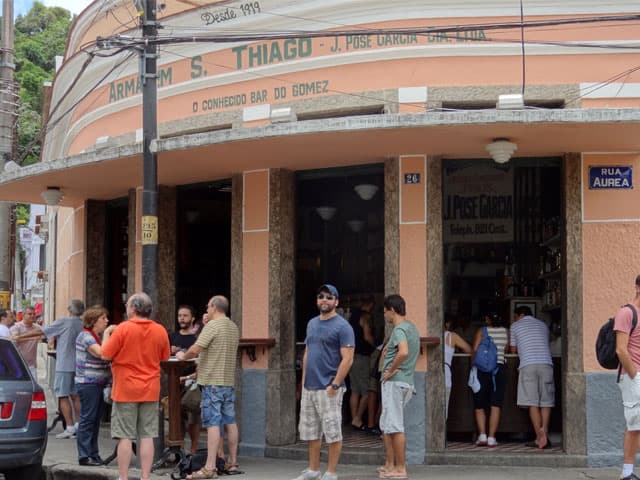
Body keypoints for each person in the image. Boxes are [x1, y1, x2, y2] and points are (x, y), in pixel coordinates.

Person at [102, 292, 170, 480]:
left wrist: (107, 333)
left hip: (125, 389)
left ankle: (123, 477)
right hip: (150, 389)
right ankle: (145, 477)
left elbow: (105, 354)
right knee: (147, 436)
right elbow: (165, 357)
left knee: (125, 436)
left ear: (133, 308)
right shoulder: (160, 330)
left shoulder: (123, 329)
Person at [292, 284, 354, 480]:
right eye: (321, 297)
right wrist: (302, 383)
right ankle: (313, 469)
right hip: (310, 386)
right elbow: (308, 352)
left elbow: (348, 358)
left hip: (329, 387)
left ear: (336, 301)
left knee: (332, 431)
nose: (324, 300)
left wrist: (335, 384)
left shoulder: (343, 326)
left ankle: (331, 472)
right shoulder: (312, 323)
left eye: (329, 297)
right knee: (311, 432)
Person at [176, 295, 240, 479]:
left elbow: (196, 349)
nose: (207, 310)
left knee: (213, 423)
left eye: (208, 307)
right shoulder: (233, 326)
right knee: (230, 421)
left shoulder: (213, 325)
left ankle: (210, 467)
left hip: (212, 381)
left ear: (213, 307)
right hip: (227, 380)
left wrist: (183, 356)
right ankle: (232, 462)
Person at [15, 299, 85, 439]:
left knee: (62, 395)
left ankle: (70, 427)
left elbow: (41, 331)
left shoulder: (64, 321)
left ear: (70, 310)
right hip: (79, 364)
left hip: (64, 363)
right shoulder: (82, 323)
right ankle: (79, 425)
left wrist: (20, 336)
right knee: (76, 396)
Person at [378, 294, 419, 480]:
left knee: (394, 425)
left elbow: (403, 351)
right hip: (405, 381)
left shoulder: (399, 330)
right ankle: (390, 465)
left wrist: (391, 370)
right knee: (387, 424)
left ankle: (400, 468)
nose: (384, 315)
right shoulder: (411, 328)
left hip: (395, 382)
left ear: (392, 310)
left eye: (385, 311)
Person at [510, 305, 554, 450]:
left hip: (528, 364)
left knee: (532, 402)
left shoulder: (515, 326)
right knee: (546, 401)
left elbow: (513, 350)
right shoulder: (543, 325)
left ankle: (538, 437)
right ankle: (545, 432)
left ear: (519, 315)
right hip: (546, 363)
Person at [75, 305, 112, 466]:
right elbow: (103, 353)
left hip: (97, 383)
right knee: (88, 420)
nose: (106, 321)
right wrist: (109, 333)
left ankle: (93, 453)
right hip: (88, 384)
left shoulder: (96, 336)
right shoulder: (86, 336)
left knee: (95, 420)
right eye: (103, 318)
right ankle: (84, 455)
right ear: (93, 321)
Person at [615, 275, 640, 480]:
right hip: (634, 376)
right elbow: (621, 350)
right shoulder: (627, 312)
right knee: (635, 424)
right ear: (637, 288)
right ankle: (627, 472)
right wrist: (634, 374)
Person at [471, 313, 509, 448]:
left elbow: (475, 350)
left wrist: (472, 366)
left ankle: (482, 435)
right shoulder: (506, 331)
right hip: (499, 370)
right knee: (495, 404)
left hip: (482, 370)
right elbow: (507, 350)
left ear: (488, 319)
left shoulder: (482, 330)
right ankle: (492, 437)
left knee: (479, 403)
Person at [169, 305, 201, 454]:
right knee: (176, 417)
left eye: (185, 315)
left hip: (192, 383)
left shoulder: (197, 338)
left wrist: (188, 377)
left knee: (193, 417)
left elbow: (200, 361)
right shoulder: (172, 337)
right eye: (179, 315)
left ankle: (194, 449)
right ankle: (179, 449)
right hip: (174, 382)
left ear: (192, 318)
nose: (181, 318)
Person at [348, 297, 375, 430]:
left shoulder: (352, 317)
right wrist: (375, 345)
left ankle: (354, 420)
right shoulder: (365, 317)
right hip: (362, 357)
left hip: (351, 356)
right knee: (366, 391)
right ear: (369, 305)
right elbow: (367, 336)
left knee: (354, 390)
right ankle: (358, 418)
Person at [444, 315, 471, 420]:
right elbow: (468, 349)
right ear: (447, 324)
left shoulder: (430, 334)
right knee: (444, 407)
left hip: (430, 373)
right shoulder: (452, 336)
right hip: (445, 372)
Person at [9, 305, 41, 378]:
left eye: (34, 314)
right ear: (23, 315)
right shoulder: (16, 327)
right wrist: (33, 338)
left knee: (33, 388)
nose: (32, 316)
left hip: (32, 365)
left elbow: (45, 336)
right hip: (18, 365)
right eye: (29, 314)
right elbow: (14, 339)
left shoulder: (38, 327)